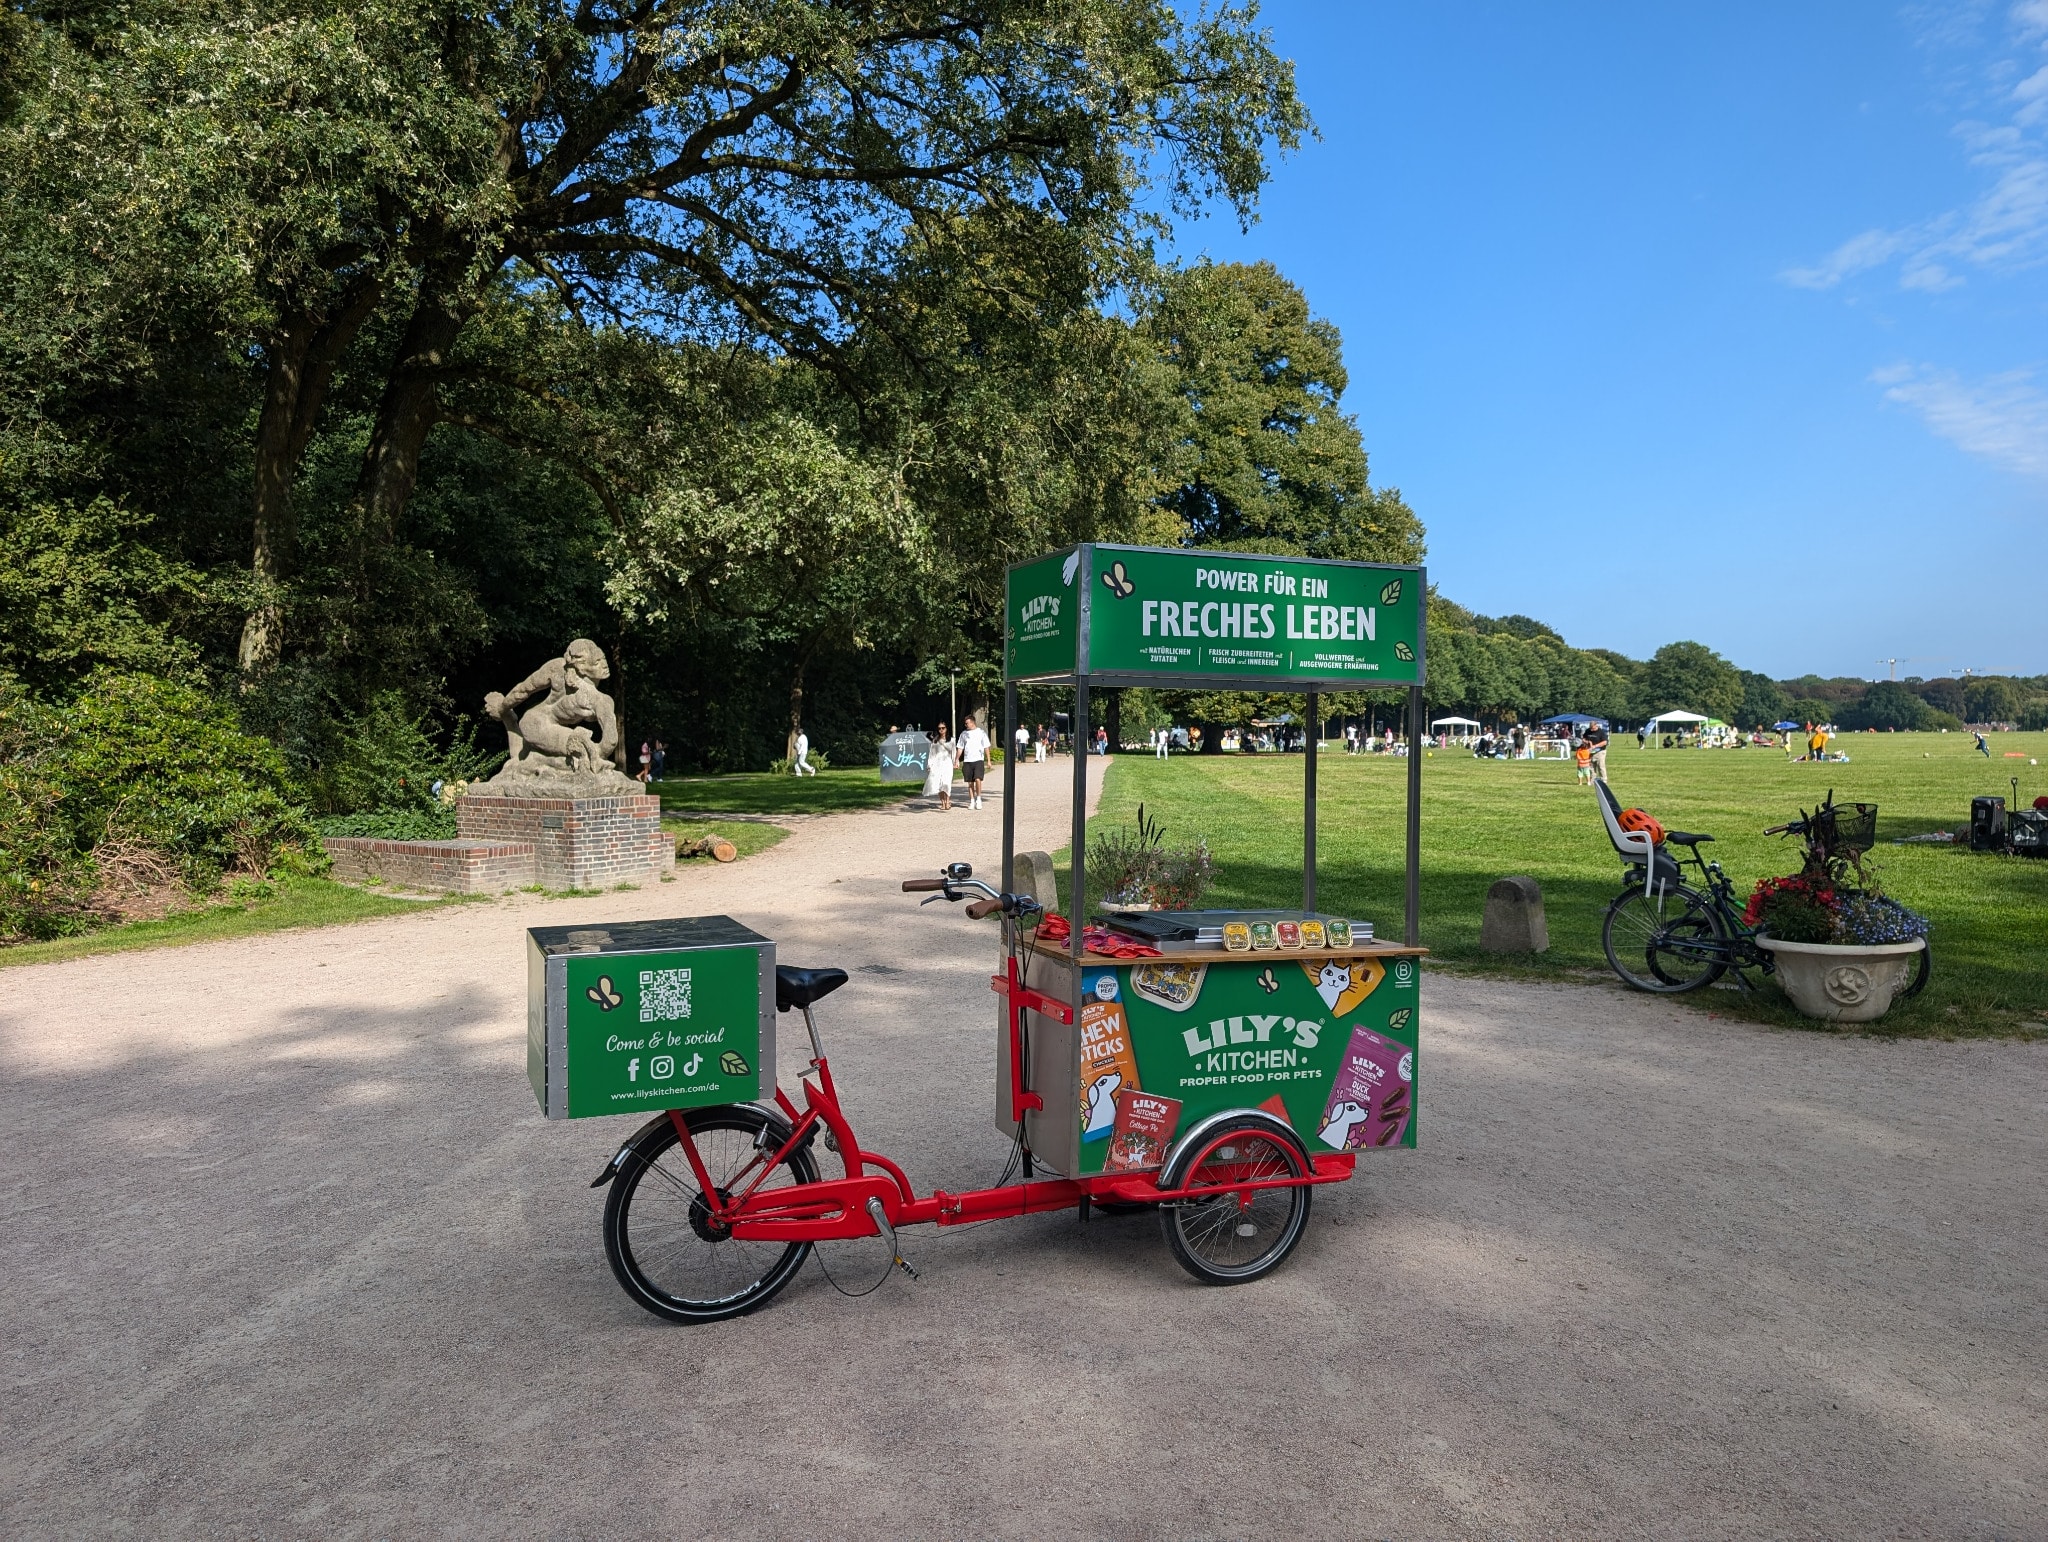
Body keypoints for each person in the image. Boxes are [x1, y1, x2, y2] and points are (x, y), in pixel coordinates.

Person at [956, 715, 990, 809]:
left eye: (967, 723)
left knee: (978, 779)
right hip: (967, 760)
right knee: (970, 782)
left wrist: (989, 760)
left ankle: (978, 799)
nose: (965, 725)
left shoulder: (981, 733)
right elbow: (960, 748)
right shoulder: (964, 734)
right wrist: (957, 759)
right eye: (965, 723)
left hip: (978, 759)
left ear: (972, 722)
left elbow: (986, 746)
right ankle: (972, 800)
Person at [923, 722, 955, 810]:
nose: (941, 730)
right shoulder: (935, 741)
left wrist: (955, 762)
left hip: (947, 763)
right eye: (939, 728)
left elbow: (953, 752)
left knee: (946, 782)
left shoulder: (951, 740)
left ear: (946, 728)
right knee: (939, 784)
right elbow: (932, 754)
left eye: (943, 728)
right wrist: (930, 764)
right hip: (937, 764)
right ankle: (943, 802)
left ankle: (947, 801)